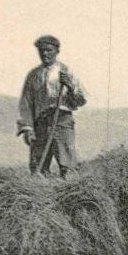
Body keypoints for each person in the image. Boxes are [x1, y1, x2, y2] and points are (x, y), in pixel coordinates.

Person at [16, 34, 87, 177]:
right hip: (40, 123)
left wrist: (70, 86)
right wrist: (27, 128)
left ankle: (70, 190)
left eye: (48, 50)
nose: (44, 53)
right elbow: (26, 104)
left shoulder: (66, 72)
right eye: (41, 50)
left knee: (68, 164)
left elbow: (81, 99)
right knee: (38, 167)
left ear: (57, 51)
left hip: (61, 120)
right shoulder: (33, 75)